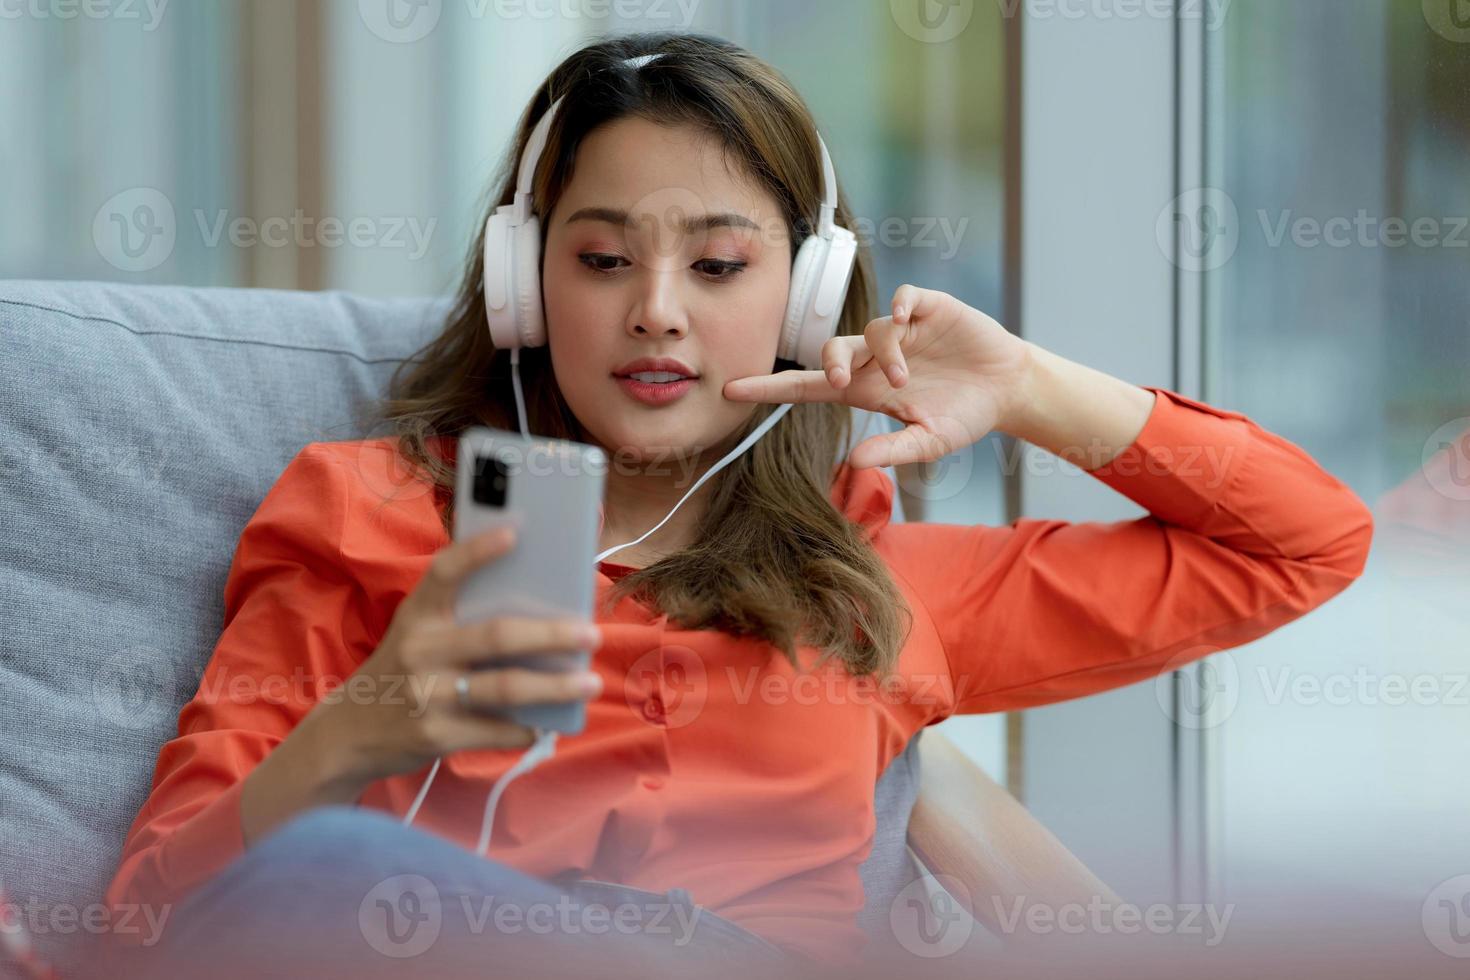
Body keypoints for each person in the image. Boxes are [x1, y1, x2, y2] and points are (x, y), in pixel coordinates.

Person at [100, 30, 1374, 978]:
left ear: (808, 298)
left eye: (717, 264)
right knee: (339, 868)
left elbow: (1305, 541)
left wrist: (1030, 384)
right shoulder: (361, 517)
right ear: (523, 286)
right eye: (601, 260)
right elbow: (147, 923)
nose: (657, 306)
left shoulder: (878, 580)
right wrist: (361, 727)